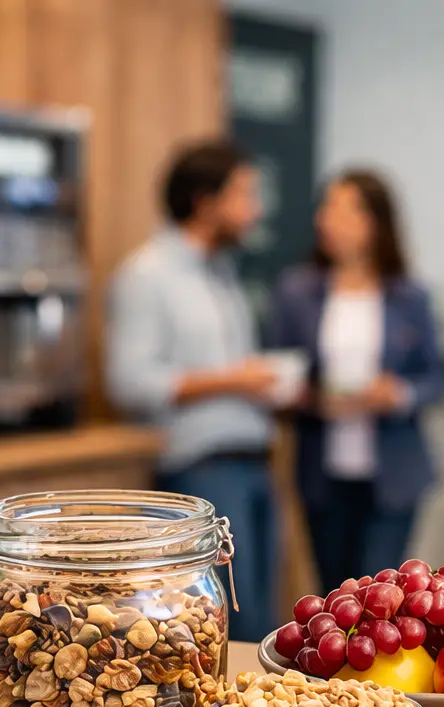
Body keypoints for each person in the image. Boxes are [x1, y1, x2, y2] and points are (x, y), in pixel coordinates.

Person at [106, 140, 282, 642]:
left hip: (255, 463)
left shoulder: (222, 274)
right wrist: (232, 379)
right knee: (226, 620)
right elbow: (130, 381)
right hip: (202, 470)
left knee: (262, 618)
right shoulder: (147, 275)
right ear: (206, 203)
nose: (256, 210)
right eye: (244, 195)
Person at [270, 169, 444, 589]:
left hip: (393, 472)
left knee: (376, 592)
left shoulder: (409, 295)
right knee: (334, 591)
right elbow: (281, 374)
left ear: (374, 222)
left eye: (341, 210)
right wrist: (310, 398)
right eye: (324, 208)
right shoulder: (296, 292)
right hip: (322, 473)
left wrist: (398, 393)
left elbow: (437, 378)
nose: (325, 220)